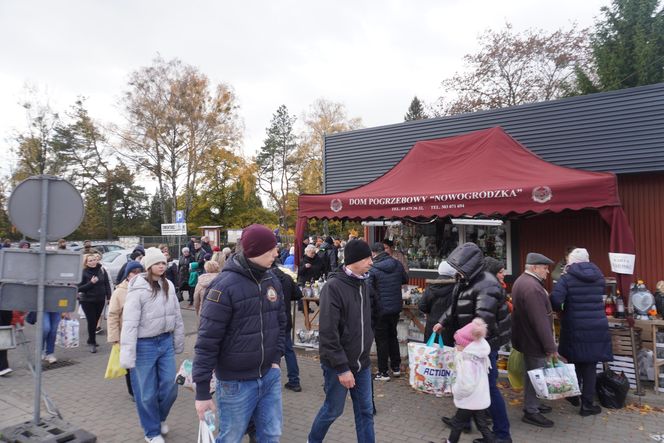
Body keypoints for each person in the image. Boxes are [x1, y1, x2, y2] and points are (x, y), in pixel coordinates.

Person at [193, 224, 286, 443]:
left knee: (271, 435)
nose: (276, 253)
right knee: (231, 438)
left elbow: (281, 323)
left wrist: (275, 358)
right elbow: (207, 342)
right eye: (271, 249)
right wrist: (202, 393)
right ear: (255, 251)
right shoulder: (223, 287)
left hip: (269, 376)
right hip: (235, 383)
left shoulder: (272, 280)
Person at [433, 243, 512, 443]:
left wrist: (462, 340)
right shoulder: (467, 280)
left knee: (488, 388)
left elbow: (481, 321)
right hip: (472, 345)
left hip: (485, 346)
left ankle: (502, 435)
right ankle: (465, 422)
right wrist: (442, 321)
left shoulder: (487, 284)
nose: (456, 271)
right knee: (474, 386)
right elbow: (456, 305)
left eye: (459, 267)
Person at [308, 239, 375, 443]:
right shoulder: (333, 286)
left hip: (362, 363)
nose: (371, 262)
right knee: (333, 410)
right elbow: (328, 333)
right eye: (366, 258)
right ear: (353, 260)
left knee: (365, 412)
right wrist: (342, 368)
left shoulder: (363, 282)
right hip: (339, 365)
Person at [120, 248, 184, 443]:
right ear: (148, 266)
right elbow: (129, 323)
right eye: (157, 263)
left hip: (164, 342)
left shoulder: (169, 285)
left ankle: (159, 418)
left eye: (164, 263)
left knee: (170, 387)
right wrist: (127, 353)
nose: (162, 266)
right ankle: (152, 431)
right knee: (146, 393)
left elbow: (178, 316)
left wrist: (178, 340)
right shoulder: (137, 288)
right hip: (144, 345)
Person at [550, 248, 611, 416]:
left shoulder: (566, 278)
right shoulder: (599, 277)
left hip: (574, 326)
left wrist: (561, 308)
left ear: (572, 262)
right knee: (590, 366)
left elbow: (556, 300)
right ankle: (587, 405)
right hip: (596, 327)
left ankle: (574, 396)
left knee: (575, 361)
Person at [511, 252, 558, 429]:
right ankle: (531, 411)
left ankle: (534, 404)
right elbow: (539, 320)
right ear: (534, 267)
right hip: (533, 340)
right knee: (534, 374)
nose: (547, 272)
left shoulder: (522, 281)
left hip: (525, 337)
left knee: (532, 373)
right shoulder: (532, 287)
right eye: (545, 268)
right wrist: (550, 346)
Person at [446, 318, 495, 443]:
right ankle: (491, 441)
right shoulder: (479, 356)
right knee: (482, 424)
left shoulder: (467, 361)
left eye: (458, 343)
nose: (456, 345)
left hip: (469, 399)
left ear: (466, 344)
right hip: (480, 397)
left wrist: (456, 392)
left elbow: (466, 385)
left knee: (457, 423)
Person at [368, 242, 408, 381]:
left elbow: (369, 290)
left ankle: (383, 372)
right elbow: (405, 279)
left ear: (373, 253)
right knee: (392, 336)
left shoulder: (372, 268)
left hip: (380, 309)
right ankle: (396, 367)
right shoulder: (397, 264)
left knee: (381, 340)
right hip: (395, 307)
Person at [108, 260, 145, 400]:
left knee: (142, 363)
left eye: (139, 272)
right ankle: (133, 391)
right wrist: (114, 337)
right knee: (130, 365)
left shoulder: (146, 288)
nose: (137, 275)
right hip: (126, 335)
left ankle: (143, 388)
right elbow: (112, 315)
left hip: (143, 334)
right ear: (127, 274)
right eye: (133, 272)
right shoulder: (119, 292)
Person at [272, 265, 303, 392]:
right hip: (285, 319)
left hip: (270, 321)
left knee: (272, 352)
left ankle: (273, 383)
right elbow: (298, 294)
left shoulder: (266, 278)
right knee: (288, 350)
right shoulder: (287, 278)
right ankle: (294, 380)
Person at [78, 253, 112, 353]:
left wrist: (109, 296)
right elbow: (79, 288)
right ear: (86, 263)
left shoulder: (102, 270)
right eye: (90, 261)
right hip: (87, 301)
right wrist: (91, 283)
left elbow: (106, 283)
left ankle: (90, 339)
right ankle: (92, 342)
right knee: (92, 321)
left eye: (94, 260)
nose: (93, 262)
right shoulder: (83, 272)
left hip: (100, 299)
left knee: (96, 319)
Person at [418, 260, 456, 339]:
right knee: (447, 350)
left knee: (430, 350)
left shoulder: (431, 287)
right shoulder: (457, 289)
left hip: (432, 326)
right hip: (449, 328)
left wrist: (427, 312)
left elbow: (422, 306)